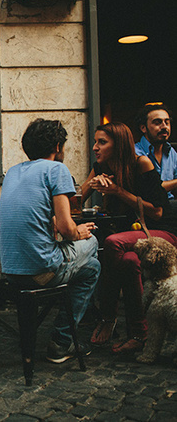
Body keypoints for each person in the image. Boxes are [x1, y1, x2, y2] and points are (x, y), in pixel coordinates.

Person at [0, 119, 100, 364]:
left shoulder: (13, 171)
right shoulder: (57, 170)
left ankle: (63, 339)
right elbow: (66, 227)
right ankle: (62, 340)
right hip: (40, 271)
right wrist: (80, 232)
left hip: (10, 270)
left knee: (91, 267)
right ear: (57, 146)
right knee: (93, 245)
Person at [84, 122, 177, 354]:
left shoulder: (141, 163)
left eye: (102, 142)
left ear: (119, 144)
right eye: (95, 142)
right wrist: (92, 183)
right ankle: (139, 333)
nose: (95, 147)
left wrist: (117, 191)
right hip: (130, 238)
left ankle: (107, 317)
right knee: (129, 261)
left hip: (159, 233)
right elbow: (77, 198)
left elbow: (157, 211)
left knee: (112, 243)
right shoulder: (101, 165)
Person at [134, 103, 177, 202]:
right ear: (143, 128)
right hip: (147, 207)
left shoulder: (171, 152)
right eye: (157, 123)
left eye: (167, 122)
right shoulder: (135, 152)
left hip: (169, 205)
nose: (164, 127)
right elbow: (153, 189)